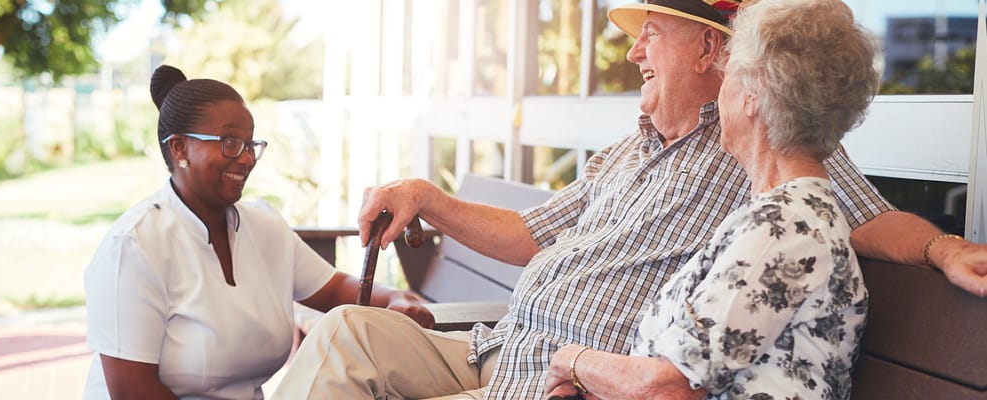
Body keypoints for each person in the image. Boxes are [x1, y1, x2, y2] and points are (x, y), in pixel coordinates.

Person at [272, 0, 987, 398]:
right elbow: (530, 232)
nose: (631, 54)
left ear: (715, 56)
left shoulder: (771, 152)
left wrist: (944, 246)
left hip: (567, 375)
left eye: (649, 35)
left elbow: (859, 215)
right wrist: (426, 196)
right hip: (501, 345)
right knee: (344, 334)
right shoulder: (625, 151)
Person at [544, 0, 873, 398]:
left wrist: (571, 361)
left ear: (753, 95)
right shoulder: (781, 217)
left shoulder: (784, 227)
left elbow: (666, 387)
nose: (720, 91)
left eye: (728, 74)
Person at [81, 65, 434, 400]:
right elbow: (132, 392)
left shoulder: (263, 227)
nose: (247, 158)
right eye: (230, 143)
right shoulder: (134, 246)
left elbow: (334, 288)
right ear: (179, 148)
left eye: (250, 145)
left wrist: (394, 299)